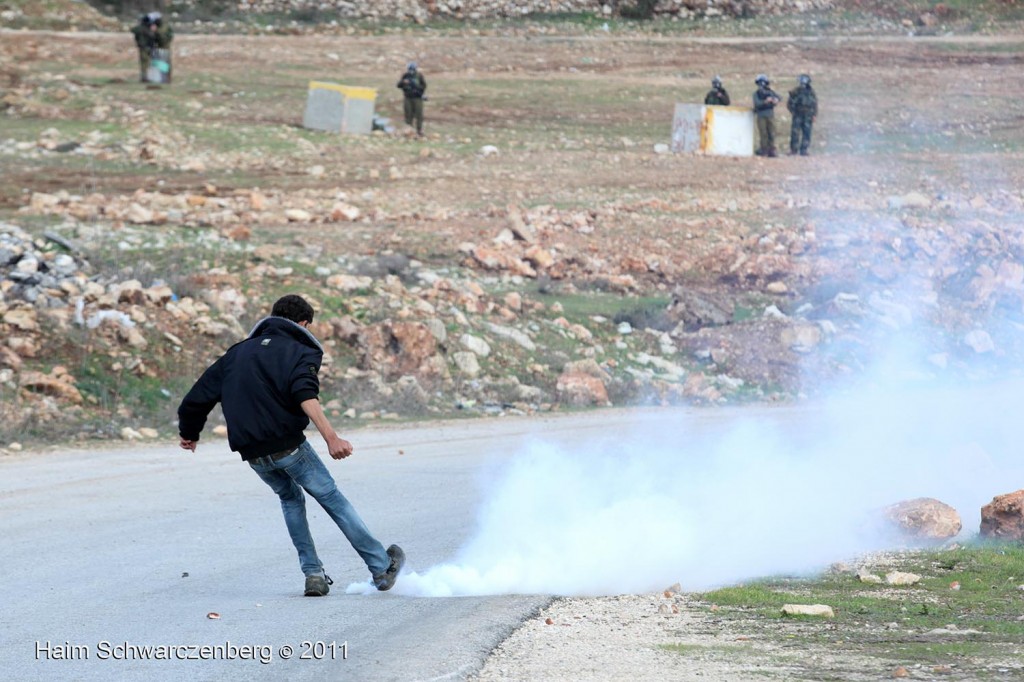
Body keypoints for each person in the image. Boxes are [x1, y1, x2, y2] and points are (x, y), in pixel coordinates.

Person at [177, 294, 405, 596]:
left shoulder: (236, 353)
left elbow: (196, 398)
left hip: (253, 452)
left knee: (290, 500)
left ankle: (313, 575)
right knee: (331, 498)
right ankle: (380, 566)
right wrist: (331, 437)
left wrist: (190, 433)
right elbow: (304, 392)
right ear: (303, 324)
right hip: (289, 447)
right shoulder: (301, 349)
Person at [129, 12, 174, 83]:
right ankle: (156, 77)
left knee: (162, 63)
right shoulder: (144, 28)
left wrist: (155, 31)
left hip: (161, 46)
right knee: (154, 63)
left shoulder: (163, 27)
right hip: (150, 46)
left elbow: (163, 37)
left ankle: (163, 78)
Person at [787, 73, 818, 156]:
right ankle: (793, 150)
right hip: (798, 114)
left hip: (808, 115)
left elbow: (814, 104)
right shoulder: (795, 91)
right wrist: (793, 111)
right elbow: (789, 103)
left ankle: (804, 150)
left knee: (807, 133)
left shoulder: (811, 92)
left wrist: (814, 115)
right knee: (795, 133)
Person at [752, 74, 781, 157]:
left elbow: (779, 97)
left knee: (771, 132)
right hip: (761, 115)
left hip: (770, 114)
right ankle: (764, 149)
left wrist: (775, 100)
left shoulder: (770, 92)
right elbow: (757, 104)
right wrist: (765, 102)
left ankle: (771, 149)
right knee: (763, 133)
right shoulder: (756, 94)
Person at [397, 62, 427, 136]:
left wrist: (416, 86)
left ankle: (419, 130)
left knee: (419, 115)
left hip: (417, 98)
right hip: (408, 98)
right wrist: (404, 82)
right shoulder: (405, 76)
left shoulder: (419, 76)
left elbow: (423, 86)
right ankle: (408, 130)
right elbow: (398, 85)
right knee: (408, 114)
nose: (411, 71)